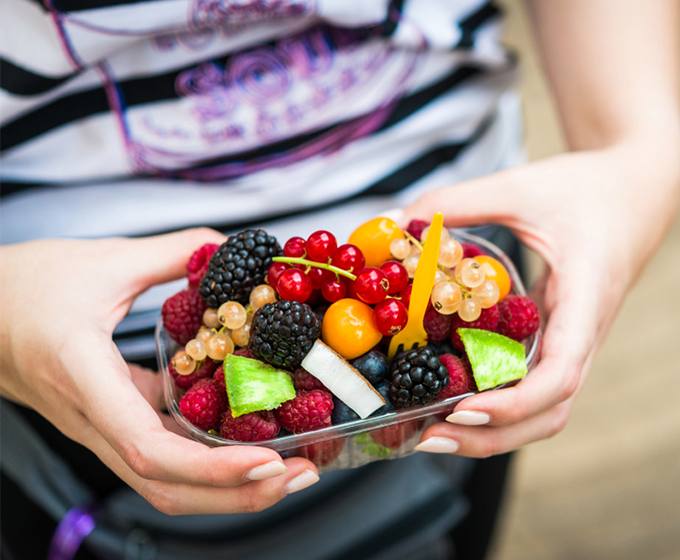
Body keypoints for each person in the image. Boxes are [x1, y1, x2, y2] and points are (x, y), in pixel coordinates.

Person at [1, 1, 679, 559]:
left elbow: (637, 122)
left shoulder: (458, 317)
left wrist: (642, 156)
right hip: (69, 339)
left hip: (456, 288)